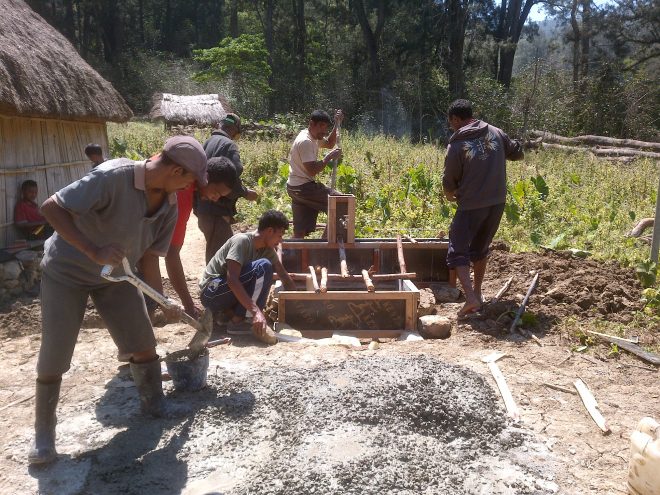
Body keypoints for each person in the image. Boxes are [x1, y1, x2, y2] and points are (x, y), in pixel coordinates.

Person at [29, 136, 207, 465]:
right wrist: (93, 250)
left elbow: (151, 260)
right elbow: (51, 207)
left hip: (118, 276)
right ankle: (43, 436)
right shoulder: (112, 177)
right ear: (176, 170)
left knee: (142, 342)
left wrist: (162, 298)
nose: (189, 187)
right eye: (189, 180)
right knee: (56, 353)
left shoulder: (168, 205)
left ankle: (154, 403)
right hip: (66, 271)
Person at [442, 99, 524, 317]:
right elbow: (517, 153)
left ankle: (470, 298)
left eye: (452, 123)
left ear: (457, 119)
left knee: (457, 249)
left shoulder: (457, 144)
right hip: (496, 203)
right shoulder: (495, 132)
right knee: (480, 248)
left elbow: (449, 180)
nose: (452, 127)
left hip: (470, 205)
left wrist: (450, 195)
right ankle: (478, 293)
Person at [140, 156, 237, 320]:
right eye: (216, 192)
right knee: (146, 298)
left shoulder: (182, 174)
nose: (215, 198)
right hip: (122, 243)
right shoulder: (181, 192)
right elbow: (169, 254)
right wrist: (185, 304)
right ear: (206, 178)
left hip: (130, 237)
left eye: (220, 196)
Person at [199, 209, 296, 338]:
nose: (281, 240)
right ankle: (240, 321)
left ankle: (230, 315)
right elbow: (232, 279)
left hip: (225, 293)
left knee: (264, 268)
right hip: (211, 293)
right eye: (280, 235)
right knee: (264, 266)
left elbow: (283, 275)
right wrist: (256, 312)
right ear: (270, 231)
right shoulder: (242, 241)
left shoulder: (267, 250)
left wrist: (299, 303)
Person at [199, 113, 258, 263]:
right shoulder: (229, 145)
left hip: (203, 209)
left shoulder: (207, 142)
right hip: (217, 211)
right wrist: (246, 193)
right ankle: (213, 285)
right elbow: (232, 175)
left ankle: (213, 284)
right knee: (220, 255)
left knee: (214, 250)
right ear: (234, 130)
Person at [286, 109, 344, 239]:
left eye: (326, 128)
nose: (324, 132)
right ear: (311, 123)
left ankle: (292, 254)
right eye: (321, 127)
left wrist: (337, 124)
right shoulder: (305, 141)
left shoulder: (312, 136)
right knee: (341, 203)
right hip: (303, 188)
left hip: (294, 187)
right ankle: (324, 245)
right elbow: (312, 170)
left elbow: (329, 144)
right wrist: (328, 158)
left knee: (299, 232)